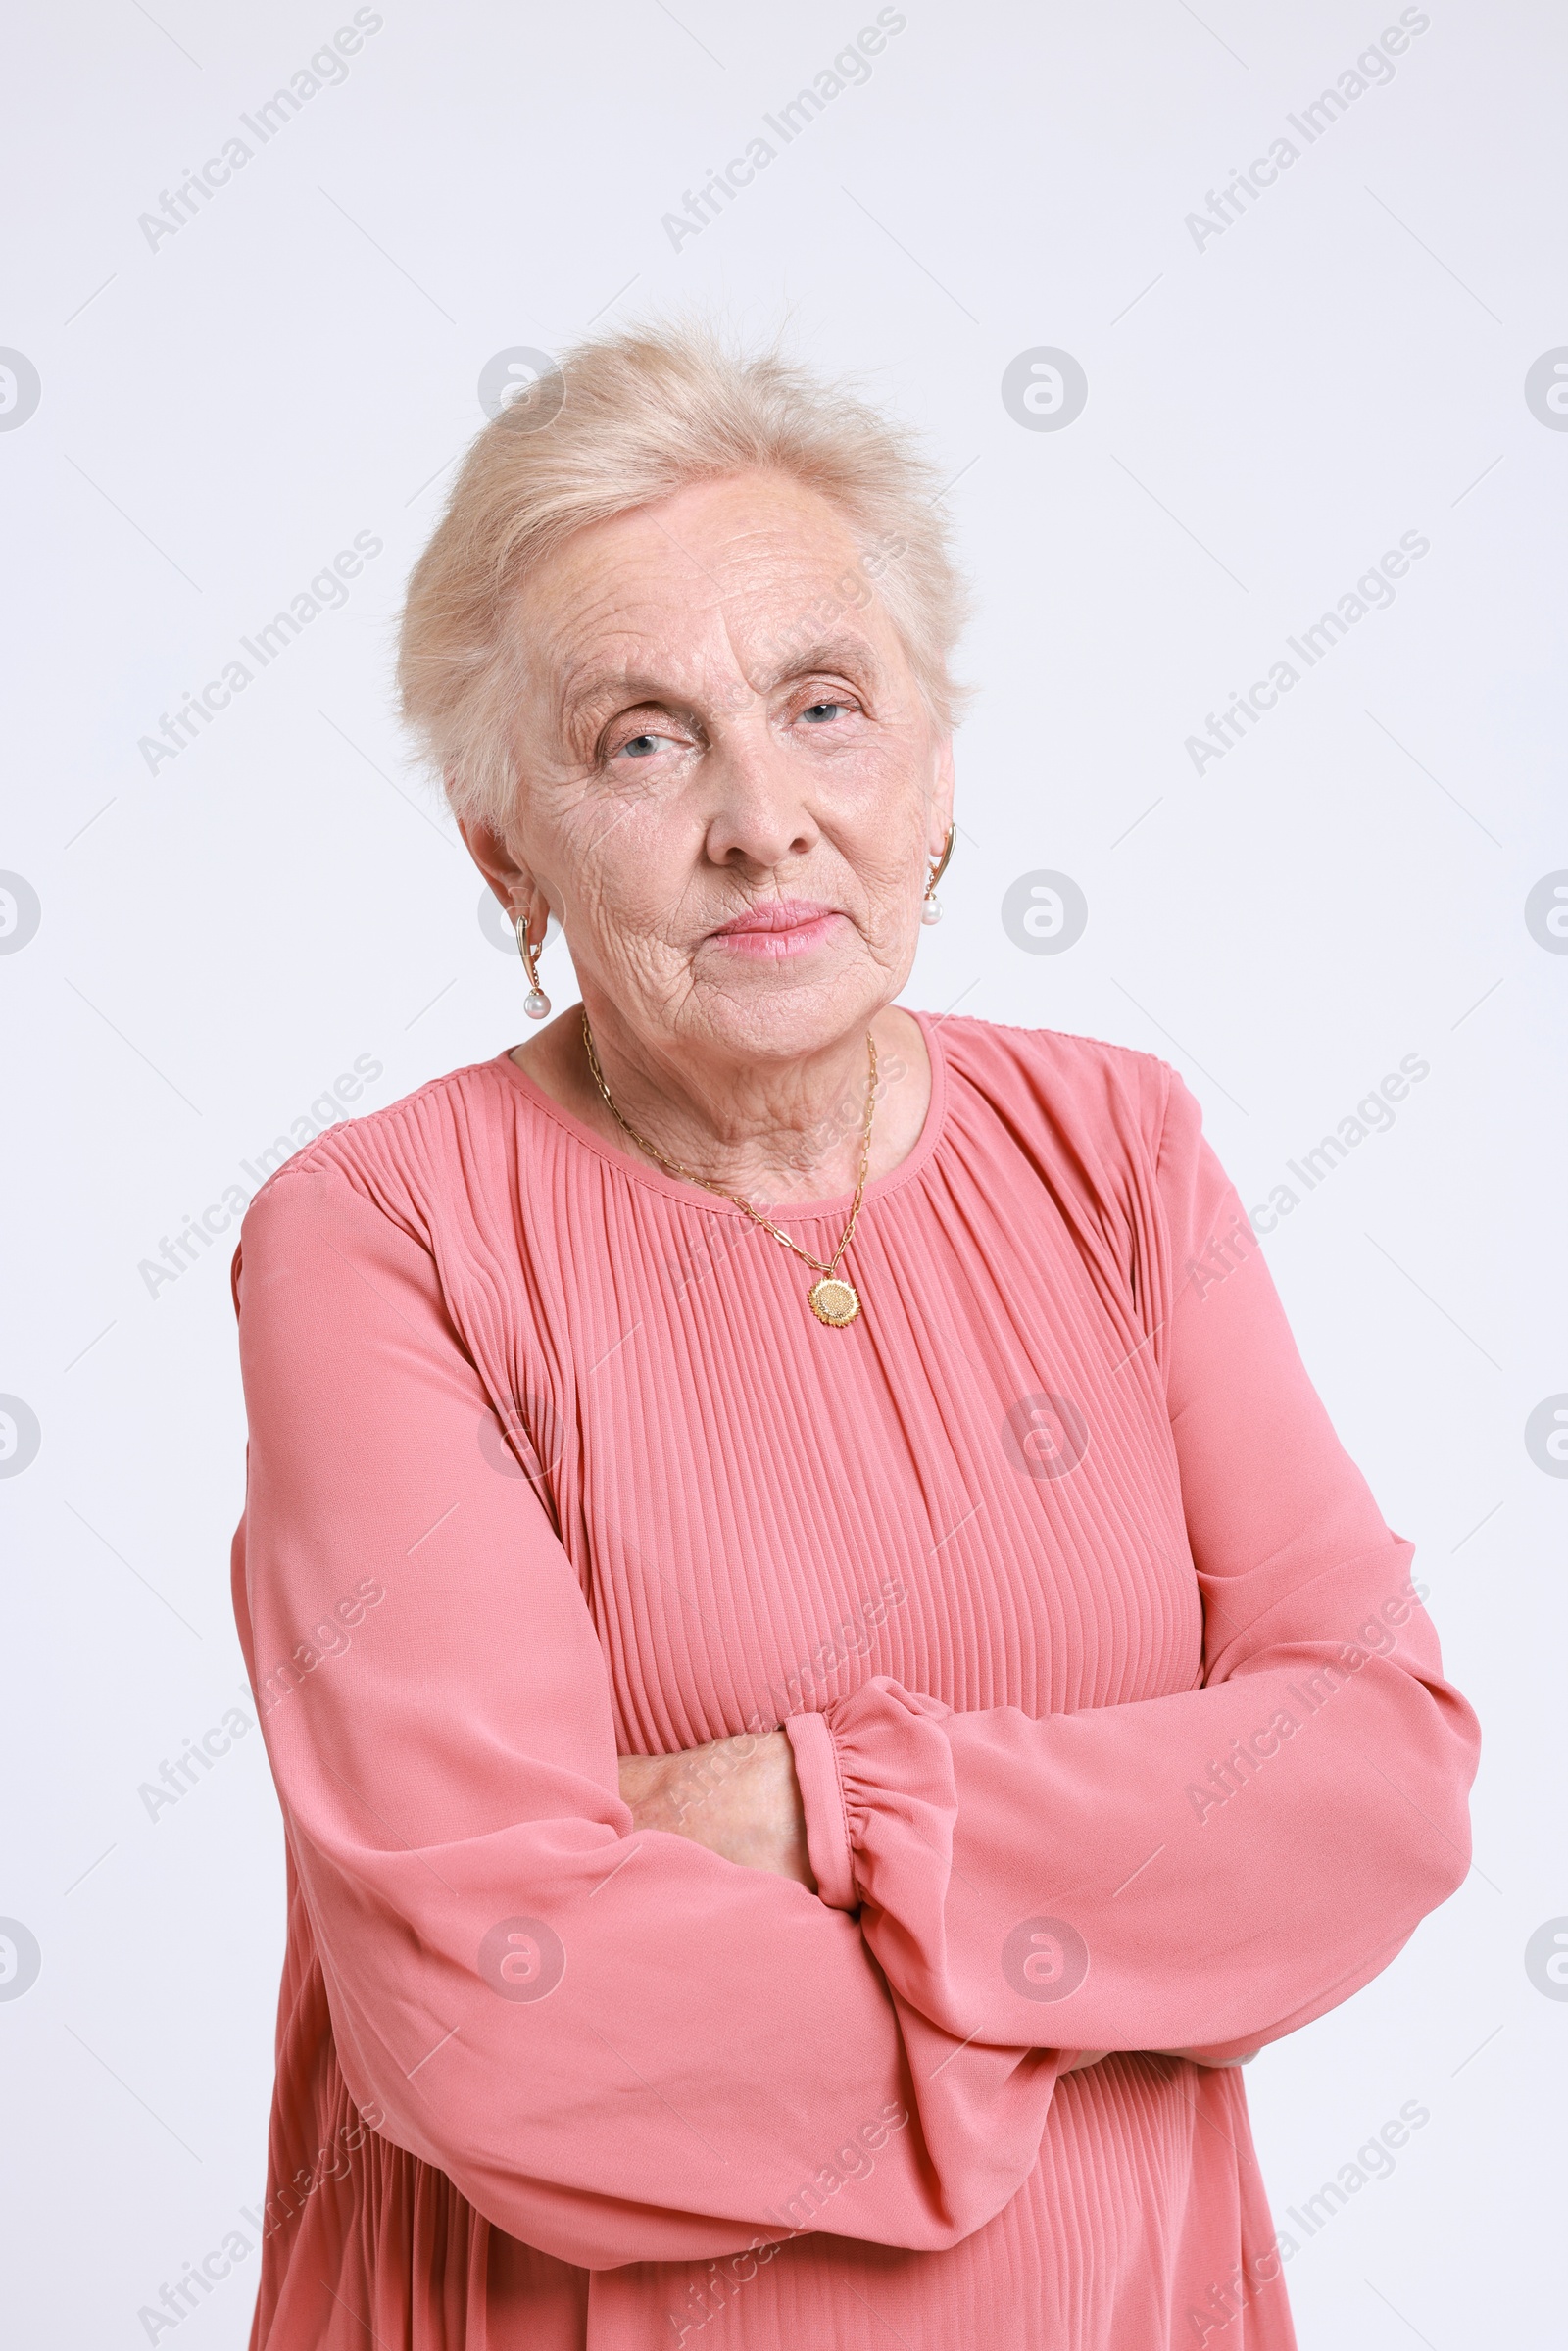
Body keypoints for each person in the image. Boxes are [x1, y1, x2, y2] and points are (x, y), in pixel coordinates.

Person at [230, 323, 1479, 2349]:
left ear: (934, 766)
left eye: (823, 705)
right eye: (640, 740)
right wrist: (1109, 1966)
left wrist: (822, 1814)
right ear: (502, 847)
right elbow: (500, 2024)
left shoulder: (1113, 1145)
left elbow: (1379, 1794)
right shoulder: (377, 1237)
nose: (759, 818)